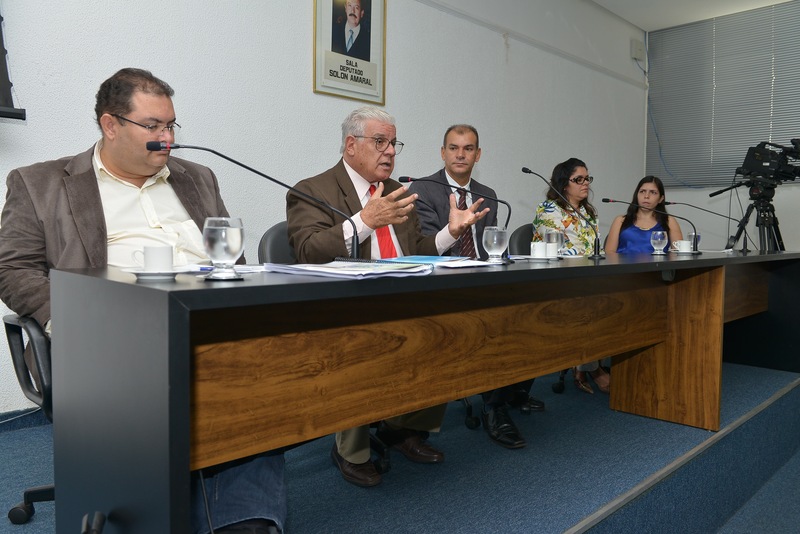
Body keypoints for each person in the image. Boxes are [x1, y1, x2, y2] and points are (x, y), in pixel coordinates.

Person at [0, 68, 284, 534]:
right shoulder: (40, 183)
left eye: (171, 125)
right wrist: (70, 319)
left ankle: (243, 519)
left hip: (206, 322)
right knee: (203, 383)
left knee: (260, 372)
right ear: (110, 125)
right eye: (152, 126)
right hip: (110, 334)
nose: (167, 138)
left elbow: (229, 259)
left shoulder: (198, 177)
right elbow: (13, 269)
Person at [286, 106, 488, 487]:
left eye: (394, 143)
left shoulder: (398, 191)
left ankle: (403, 428)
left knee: (448, 329)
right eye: (380, 142)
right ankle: (352, 450)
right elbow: (308, 250)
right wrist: (364, 221)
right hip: (351, 306)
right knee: (363, 338)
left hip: (405, 297)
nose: (391, 151)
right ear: (351, 145)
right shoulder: (312, 190)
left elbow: (417, 250)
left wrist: (450, 232)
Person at [408, 124, 543, 450]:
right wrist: (454, 231)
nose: (460, 154)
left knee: (529, 310)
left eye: (468, 148)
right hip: (438, 286)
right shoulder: (423, 189)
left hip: (481, 282)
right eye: (453, 148)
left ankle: (505, 395)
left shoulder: (488, 195)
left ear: (477, 155)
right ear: (443, 153)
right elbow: (424, 247)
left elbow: (489, 247)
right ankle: (495, 406)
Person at [532, 157, 610, 394]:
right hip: (556, 280)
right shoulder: (549, 210)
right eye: (579, 179)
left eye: (587, 178)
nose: (586, 183)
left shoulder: (588, 212)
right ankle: (593, 368)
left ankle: (586, 363)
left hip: (584, 278)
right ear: (564, 184)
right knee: (590, 302)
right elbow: (560, 251)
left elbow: (595, 249)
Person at [604, 175, 683, 253]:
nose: (646, 196)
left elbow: (679, 254)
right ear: (636, 195)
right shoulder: (620, 221)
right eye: (642, 191)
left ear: (661, 199)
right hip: (623, 262)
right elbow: (609, 252)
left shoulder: (669, 221)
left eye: (653, 192)